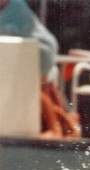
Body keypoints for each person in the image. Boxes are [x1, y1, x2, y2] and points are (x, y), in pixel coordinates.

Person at [0, 0, 79, 138]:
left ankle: (55, 130)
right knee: (46, 90)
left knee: (36, 89)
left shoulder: (17, 6)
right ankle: (69, 126)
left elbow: (8, 29)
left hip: (40, 49)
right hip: (29, 50)